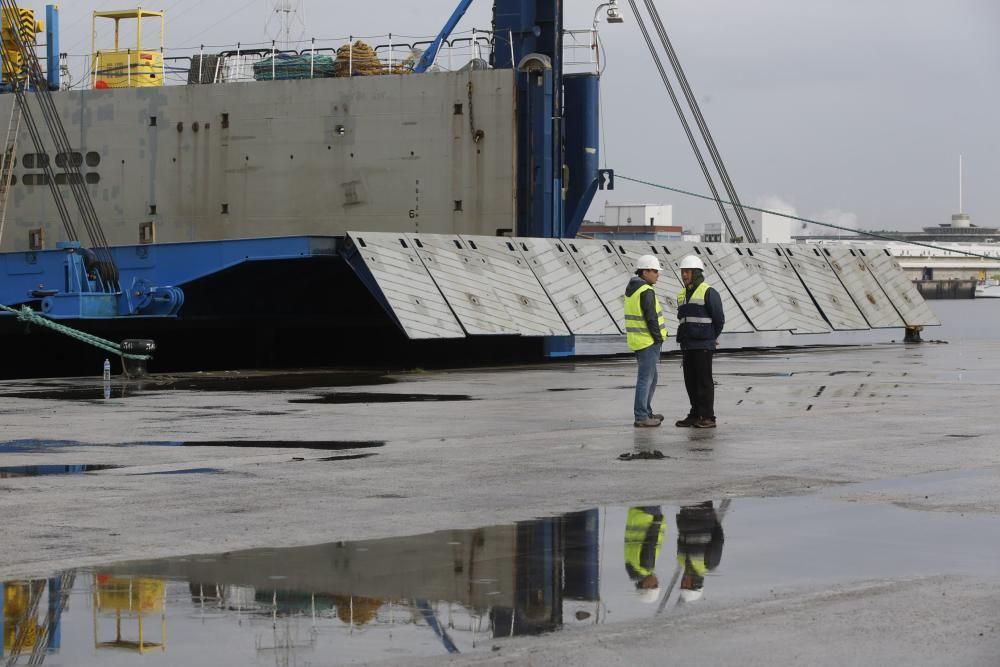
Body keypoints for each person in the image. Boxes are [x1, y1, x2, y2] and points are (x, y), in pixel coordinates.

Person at [674, 255, 724, 428]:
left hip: (703, 345)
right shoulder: (681, 294)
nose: (684, 275)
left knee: (704, 381)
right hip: (687, 344)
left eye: (687, 271)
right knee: (690, 381)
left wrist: (711, 337)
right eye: (682, 272)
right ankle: (695, 414)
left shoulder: (708, 291)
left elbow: (719, 319)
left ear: (696, 273)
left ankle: (708, 417)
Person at [624, 255, 667, 427]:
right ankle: (641, 416)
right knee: (645, 379)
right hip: (648, 342)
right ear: (645, 271)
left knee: (652, 378)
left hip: (639, 341)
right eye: (655, 271)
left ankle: (646, 411)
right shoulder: (645, 291)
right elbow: (651, 319)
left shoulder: (633, 289)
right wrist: (658, 339)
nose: (658, 275)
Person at [675, 501, 725, 603]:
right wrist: (712, 519)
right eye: (687, 585)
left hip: (685, 512)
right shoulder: (709, 564)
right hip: (703, 514)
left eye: (682, 584)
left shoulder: (681, 561)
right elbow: (718, 539)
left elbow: (680, 538)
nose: (684, 581)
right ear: (696, 583)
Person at [624, 506, 666, 604]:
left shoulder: (646, 566)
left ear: (646, 586)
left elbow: (651, 541)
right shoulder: (631, 567)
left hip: (648, 516)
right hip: (635, 514)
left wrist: (657, 520)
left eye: (655, 586)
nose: (657, 582)